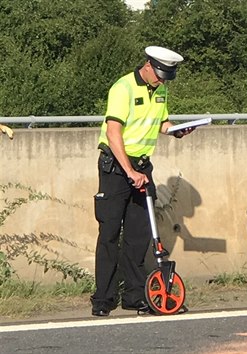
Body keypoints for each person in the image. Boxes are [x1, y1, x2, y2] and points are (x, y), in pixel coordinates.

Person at [91, 46, 195, 316]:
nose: (162, 81)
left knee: (138, 236)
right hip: (116, 168)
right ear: (148, 65)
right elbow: (114, 134)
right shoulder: (122, 88)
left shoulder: (160, 89)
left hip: (141, 167)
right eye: (160, 75)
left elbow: (161, 123)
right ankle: (103, 299)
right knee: (110, 234)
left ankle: (135, 296)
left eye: (166, 78)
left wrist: (176, 131)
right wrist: (129, 172)